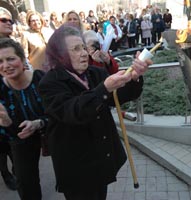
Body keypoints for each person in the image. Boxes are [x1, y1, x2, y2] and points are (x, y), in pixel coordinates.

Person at [38, 24, 152, 200]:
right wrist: (103, 90)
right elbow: (73, 111)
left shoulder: (95, 73)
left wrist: (135, 77)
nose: (84, 53)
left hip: (100, 156)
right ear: (60, 55)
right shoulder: (50, 83)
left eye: (84, 47)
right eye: (76, 49)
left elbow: (119, 96)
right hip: (76, 165)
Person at [0, 38, 47, 199]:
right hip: (21, 142)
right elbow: (10, 135)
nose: (5, 65)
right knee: (26, 183)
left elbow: (57, 113)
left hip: (50, 134)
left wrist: (38, 123)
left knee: (69, 175)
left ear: (22, 59)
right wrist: (6, 123)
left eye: (10, 59)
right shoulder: (1, 89)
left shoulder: (40, 78)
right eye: (0, 61)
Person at [0, 6, 17, 191]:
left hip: (12, 95)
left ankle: (17, 169)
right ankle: (6, 173)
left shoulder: (12, 43)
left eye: (10, 20)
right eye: (3, 20)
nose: (9, 23)